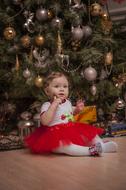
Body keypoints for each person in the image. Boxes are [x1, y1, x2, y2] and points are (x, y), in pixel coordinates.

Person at [25, 72, 118, 156]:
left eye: (65, 87)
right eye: (57, 86)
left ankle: (101, 145)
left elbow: (70, 112)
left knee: (90, 134)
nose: (62, 89)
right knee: (66, 146)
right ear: (47, 91)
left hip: (71, 130)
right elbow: (45, 121)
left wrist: (77, 109)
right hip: (54, 136)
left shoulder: (68, 102)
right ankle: (90, 150)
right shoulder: (47, 105)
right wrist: (54, 105)